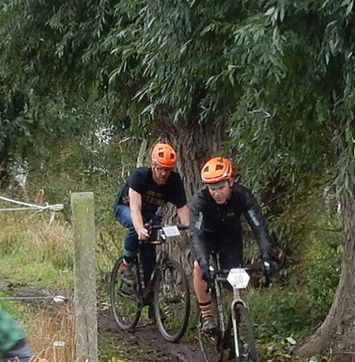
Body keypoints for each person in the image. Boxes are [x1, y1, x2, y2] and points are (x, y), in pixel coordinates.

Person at [189, 157, 274, 334]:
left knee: (236, 277)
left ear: (231, 182)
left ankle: (237, 321)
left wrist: (266, 257)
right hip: (207, 237)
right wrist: (205, 264)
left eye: (221, 188)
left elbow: (259, 227)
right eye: (212, 189)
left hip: (230, 237)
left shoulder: (242, 195)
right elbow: (196, 234)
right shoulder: (200, 200)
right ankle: (206, 316)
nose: (217, 193)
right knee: (198, 267)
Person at [113, 142, 191, 293]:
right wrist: (140, 228)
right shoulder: (140, 176)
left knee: (149, 253)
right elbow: (135, 208)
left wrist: (190, 230)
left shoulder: (174, 182)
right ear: (153, 165)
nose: (163, 174)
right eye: (160, 169)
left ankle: (148, 295)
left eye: (167, 170)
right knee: (135, 227)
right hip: (125, 207)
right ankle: (126, 264)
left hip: (149, 214)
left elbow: (182, 209)